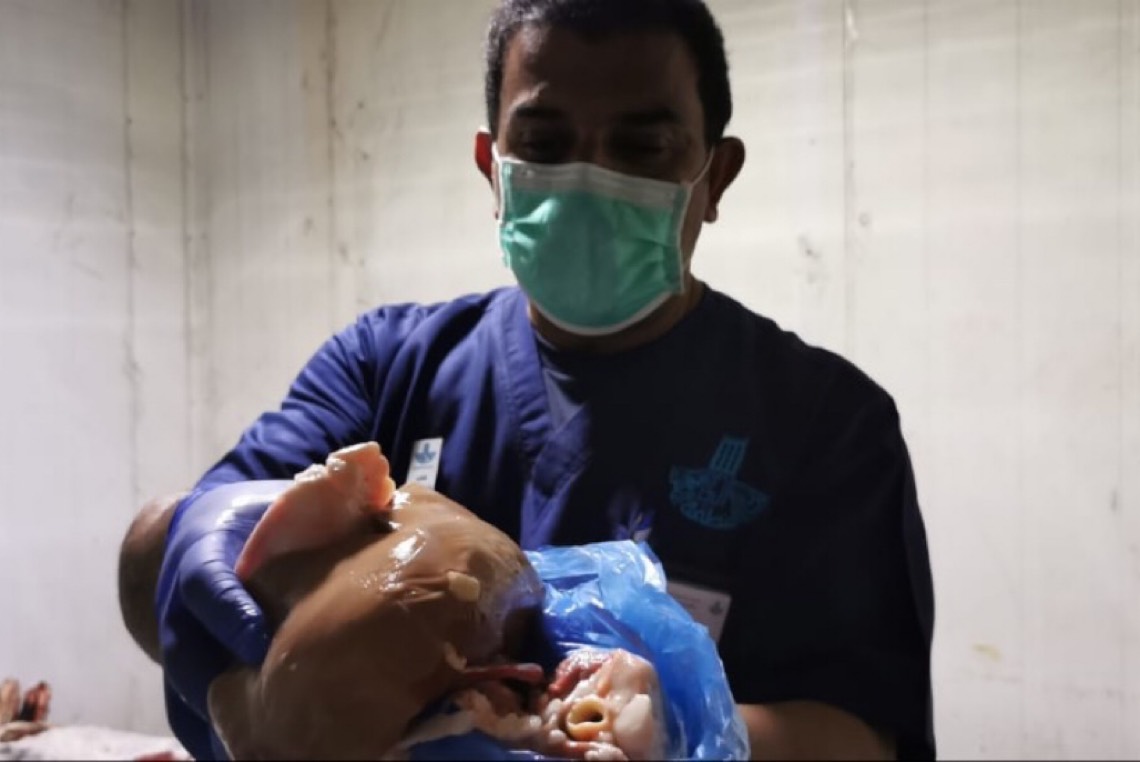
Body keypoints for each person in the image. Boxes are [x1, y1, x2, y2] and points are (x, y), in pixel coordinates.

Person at [117, 0, 936, 759]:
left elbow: (864, 734)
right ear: (492, 167)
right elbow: (178, 573)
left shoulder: (825, 422)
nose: (588, 176)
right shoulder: (384, 369)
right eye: (544, 144)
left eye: (641, 148)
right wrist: (181, 536)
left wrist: (678, 722)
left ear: (714, 176)